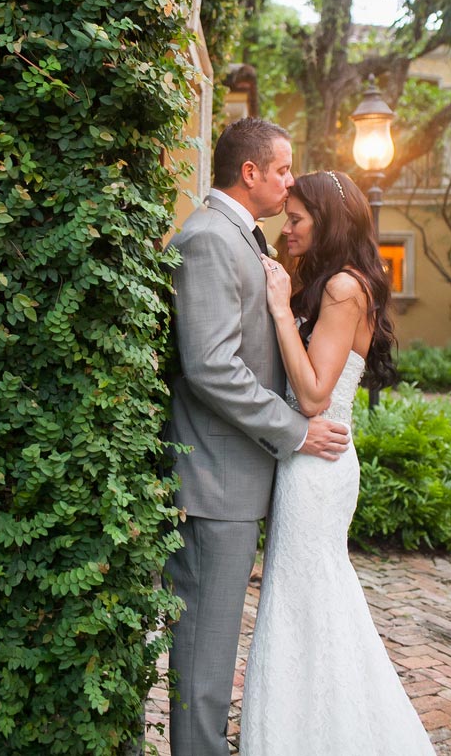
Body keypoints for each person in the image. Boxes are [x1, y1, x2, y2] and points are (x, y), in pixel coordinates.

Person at [164, 120, 351, 756]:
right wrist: (296, 430)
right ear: (250, 173)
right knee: (203, 656)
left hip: (237, 478)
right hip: (216, 482)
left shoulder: (243, 239)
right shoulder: (210, 239)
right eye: (281, 170)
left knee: (215, 652)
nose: (290, 180)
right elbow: (212, 366)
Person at [240, 169, 436, 756]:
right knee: (306, 596)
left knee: (309, 597)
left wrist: (279, 309)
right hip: (315, 460)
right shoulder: (332, 282)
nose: (287, 226)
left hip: (317, 467)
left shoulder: (343, 288)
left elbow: (314, 395)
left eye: (297, 219)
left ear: (326, 223)